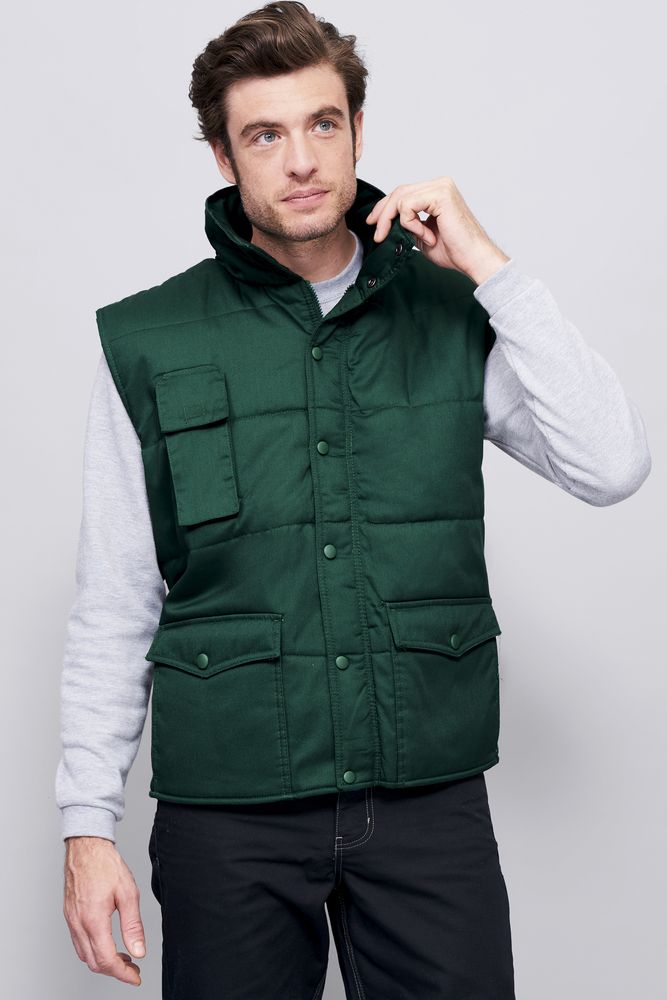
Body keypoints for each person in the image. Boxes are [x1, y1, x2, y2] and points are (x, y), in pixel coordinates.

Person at [55, 2, 652, 997]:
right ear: (222, 157)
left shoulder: (452, 312)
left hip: (426, 801)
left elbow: (612, 464)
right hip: (229, 810)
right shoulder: (150, 340)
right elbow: (115, 601)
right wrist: (86, 826)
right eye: (265, 135)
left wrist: (492, 268)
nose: (300, 161)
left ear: (358, 131)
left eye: (322, 124)